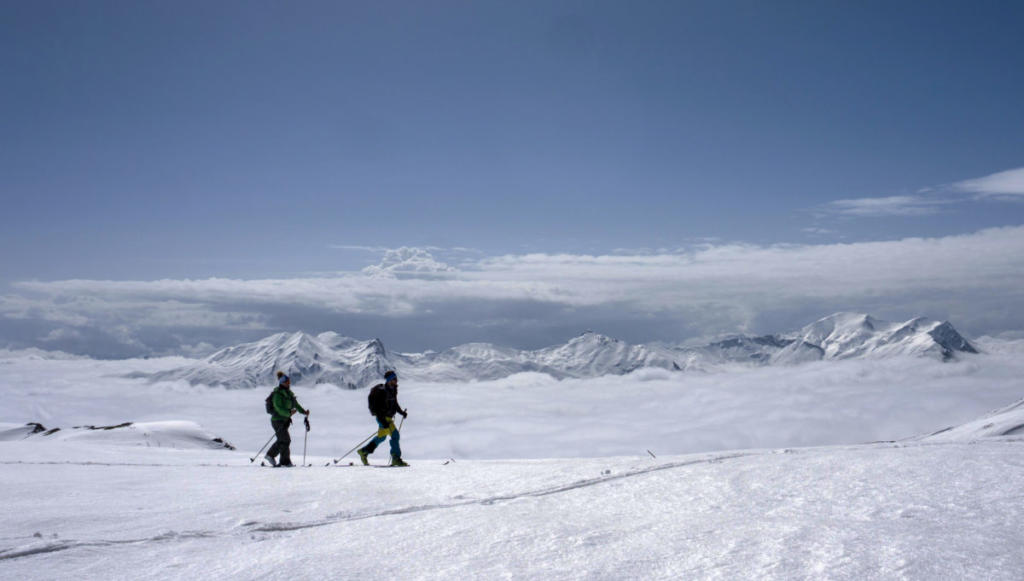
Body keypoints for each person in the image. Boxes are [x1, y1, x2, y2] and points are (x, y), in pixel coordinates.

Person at [358, 370, 409, 467]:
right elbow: (377, 409)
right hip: (383, 419)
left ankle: (363, 451)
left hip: (387, 419)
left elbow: (394, 404)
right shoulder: (382, 391)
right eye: (394, 379)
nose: (396, 381)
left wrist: (402, 412)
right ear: (390, 380)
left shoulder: (393, 389)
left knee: (381, 438)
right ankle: (396, 459)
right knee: (395, 435)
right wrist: (382, 421)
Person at [265, 371, 309, 467]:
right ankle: (279, 459)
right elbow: (278, 408)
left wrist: (303, 412)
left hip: (284, 420)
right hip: (277, 420)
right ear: (282, 383)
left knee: (283, 440)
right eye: (287, 382)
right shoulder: (278, 394)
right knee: (285, 440)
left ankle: (277, 458)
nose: (289, 383)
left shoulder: (288, 394)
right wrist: (289, 413)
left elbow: (296, 405)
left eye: (289, 382)